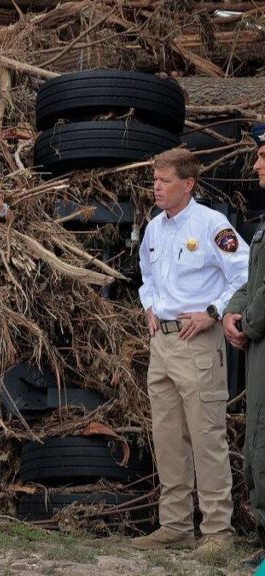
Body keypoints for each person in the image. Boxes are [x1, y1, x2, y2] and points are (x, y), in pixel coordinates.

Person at [131, 147, 248, 555]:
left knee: (206, 436)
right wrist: (148, 306)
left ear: (188, 184)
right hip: (161, 344)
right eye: (155, 180)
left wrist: (214, 312)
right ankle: (176, 525)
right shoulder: (155, 229)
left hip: (196, 342)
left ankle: (218, 532)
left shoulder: (213, 225)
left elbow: (244, 273)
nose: (156, 187)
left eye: (164, 181)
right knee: (167, 438)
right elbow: (145, 273)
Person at [223, 124, 265, 564]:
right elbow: (251, 282)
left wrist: (246, 323)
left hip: (260, 339)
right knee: (256, 436)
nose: (255, 164)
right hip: (257, 345)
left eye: (262, 156)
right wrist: (234, 313)